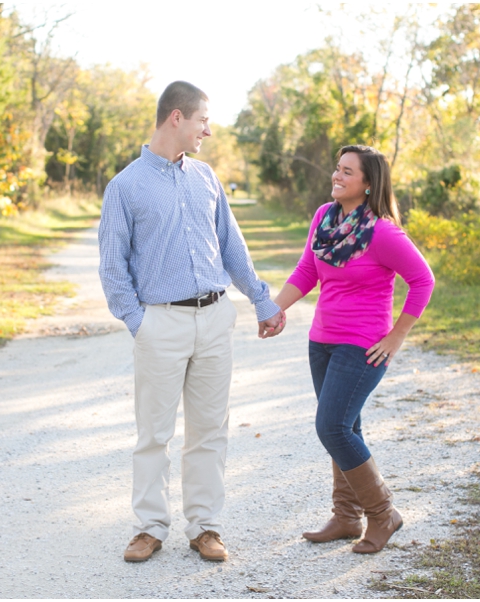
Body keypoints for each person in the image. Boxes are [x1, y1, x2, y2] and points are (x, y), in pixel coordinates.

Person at [98, 81, 285, 564]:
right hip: (160, 324)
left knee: (209, 431)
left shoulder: (206, 178)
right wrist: (139, 323)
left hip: (215, 317)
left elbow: (232, 247)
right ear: (175, 118)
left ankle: (205, 527)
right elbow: (113, 268)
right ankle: (148, 528)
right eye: (203, 118)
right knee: (153, 434)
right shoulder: (125, 187)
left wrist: (262, 301)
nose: (209, 127)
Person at [272, 145, 434, 554]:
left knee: (332, 428)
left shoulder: (382, 232)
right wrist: (273, 310)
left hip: (362, 346)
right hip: (322, 342)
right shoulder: (323, 219)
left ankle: (383, 514)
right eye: (337, 168)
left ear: (367, 183)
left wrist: (397, 335)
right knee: (347, 428)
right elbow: (307, 270)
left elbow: (423, 280)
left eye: (347, 172)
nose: (337, 176)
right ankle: (346, 517)